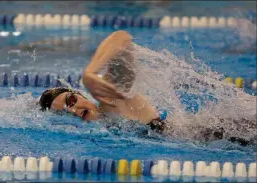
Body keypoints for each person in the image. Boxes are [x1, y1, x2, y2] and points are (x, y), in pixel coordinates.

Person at [39, 30, 255, 146]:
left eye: (70, 101)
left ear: (80, 95)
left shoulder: (112, 100)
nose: (72, 110)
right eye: (63, 113)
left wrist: (90, 73)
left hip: (230, 130)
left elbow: (121, 38)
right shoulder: (107, 129)